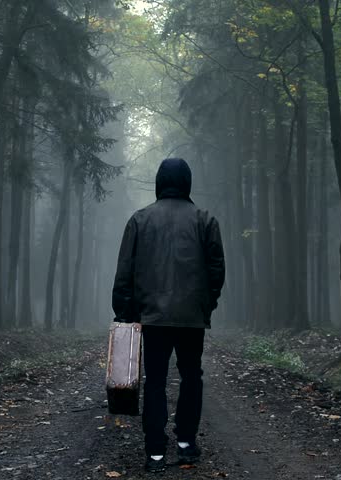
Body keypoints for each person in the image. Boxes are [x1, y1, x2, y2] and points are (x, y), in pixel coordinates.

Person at [112, 158, 225, 473]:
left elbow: (125, 272)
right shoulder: (205, 220)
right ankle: (187, 443)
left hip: (152, 317)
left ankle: (155, 452)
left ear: (160, 182)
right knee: (192, 376)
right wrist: (207, 304)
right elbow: (217, 271)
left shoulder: (140, 219)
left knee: (156, 381)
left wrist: (125, 313)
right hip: (191, 317)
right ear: (187, 182)